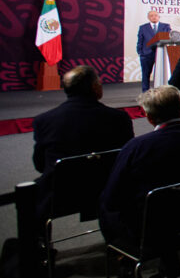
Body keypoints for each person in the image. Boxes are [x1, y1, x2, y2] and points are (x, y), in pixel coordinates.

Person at [99, 85, 180, 278]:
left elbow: (113, 198)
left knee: (105, 207)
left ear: (149, 117)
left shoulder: (137, 148)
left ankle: (128, 265)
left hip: (153, 227)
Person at [32, 65, 134, 224]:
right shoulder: (119, 118)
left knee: (27, 193)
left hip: (60, 193)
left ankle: (37, 244)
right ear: (95, 87)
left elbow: (40, 165)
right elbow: (126, 159)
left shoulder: (44, 121)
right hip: (108, 188)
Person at [136, 10, 171, 92]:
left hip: (162, 53)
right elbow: (140, 41)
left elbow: (169, 37)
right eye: (151, 15)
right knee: (146, 75)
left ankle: (163, 92)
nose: (154, 17)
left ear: (159, 17)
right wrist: (140, 52)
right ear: (148, 18)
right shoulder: (143, 27)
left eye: (155, 15)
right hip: (147, 54)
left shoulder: (166, 26)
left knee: (162, 74)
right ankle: (145, 93)